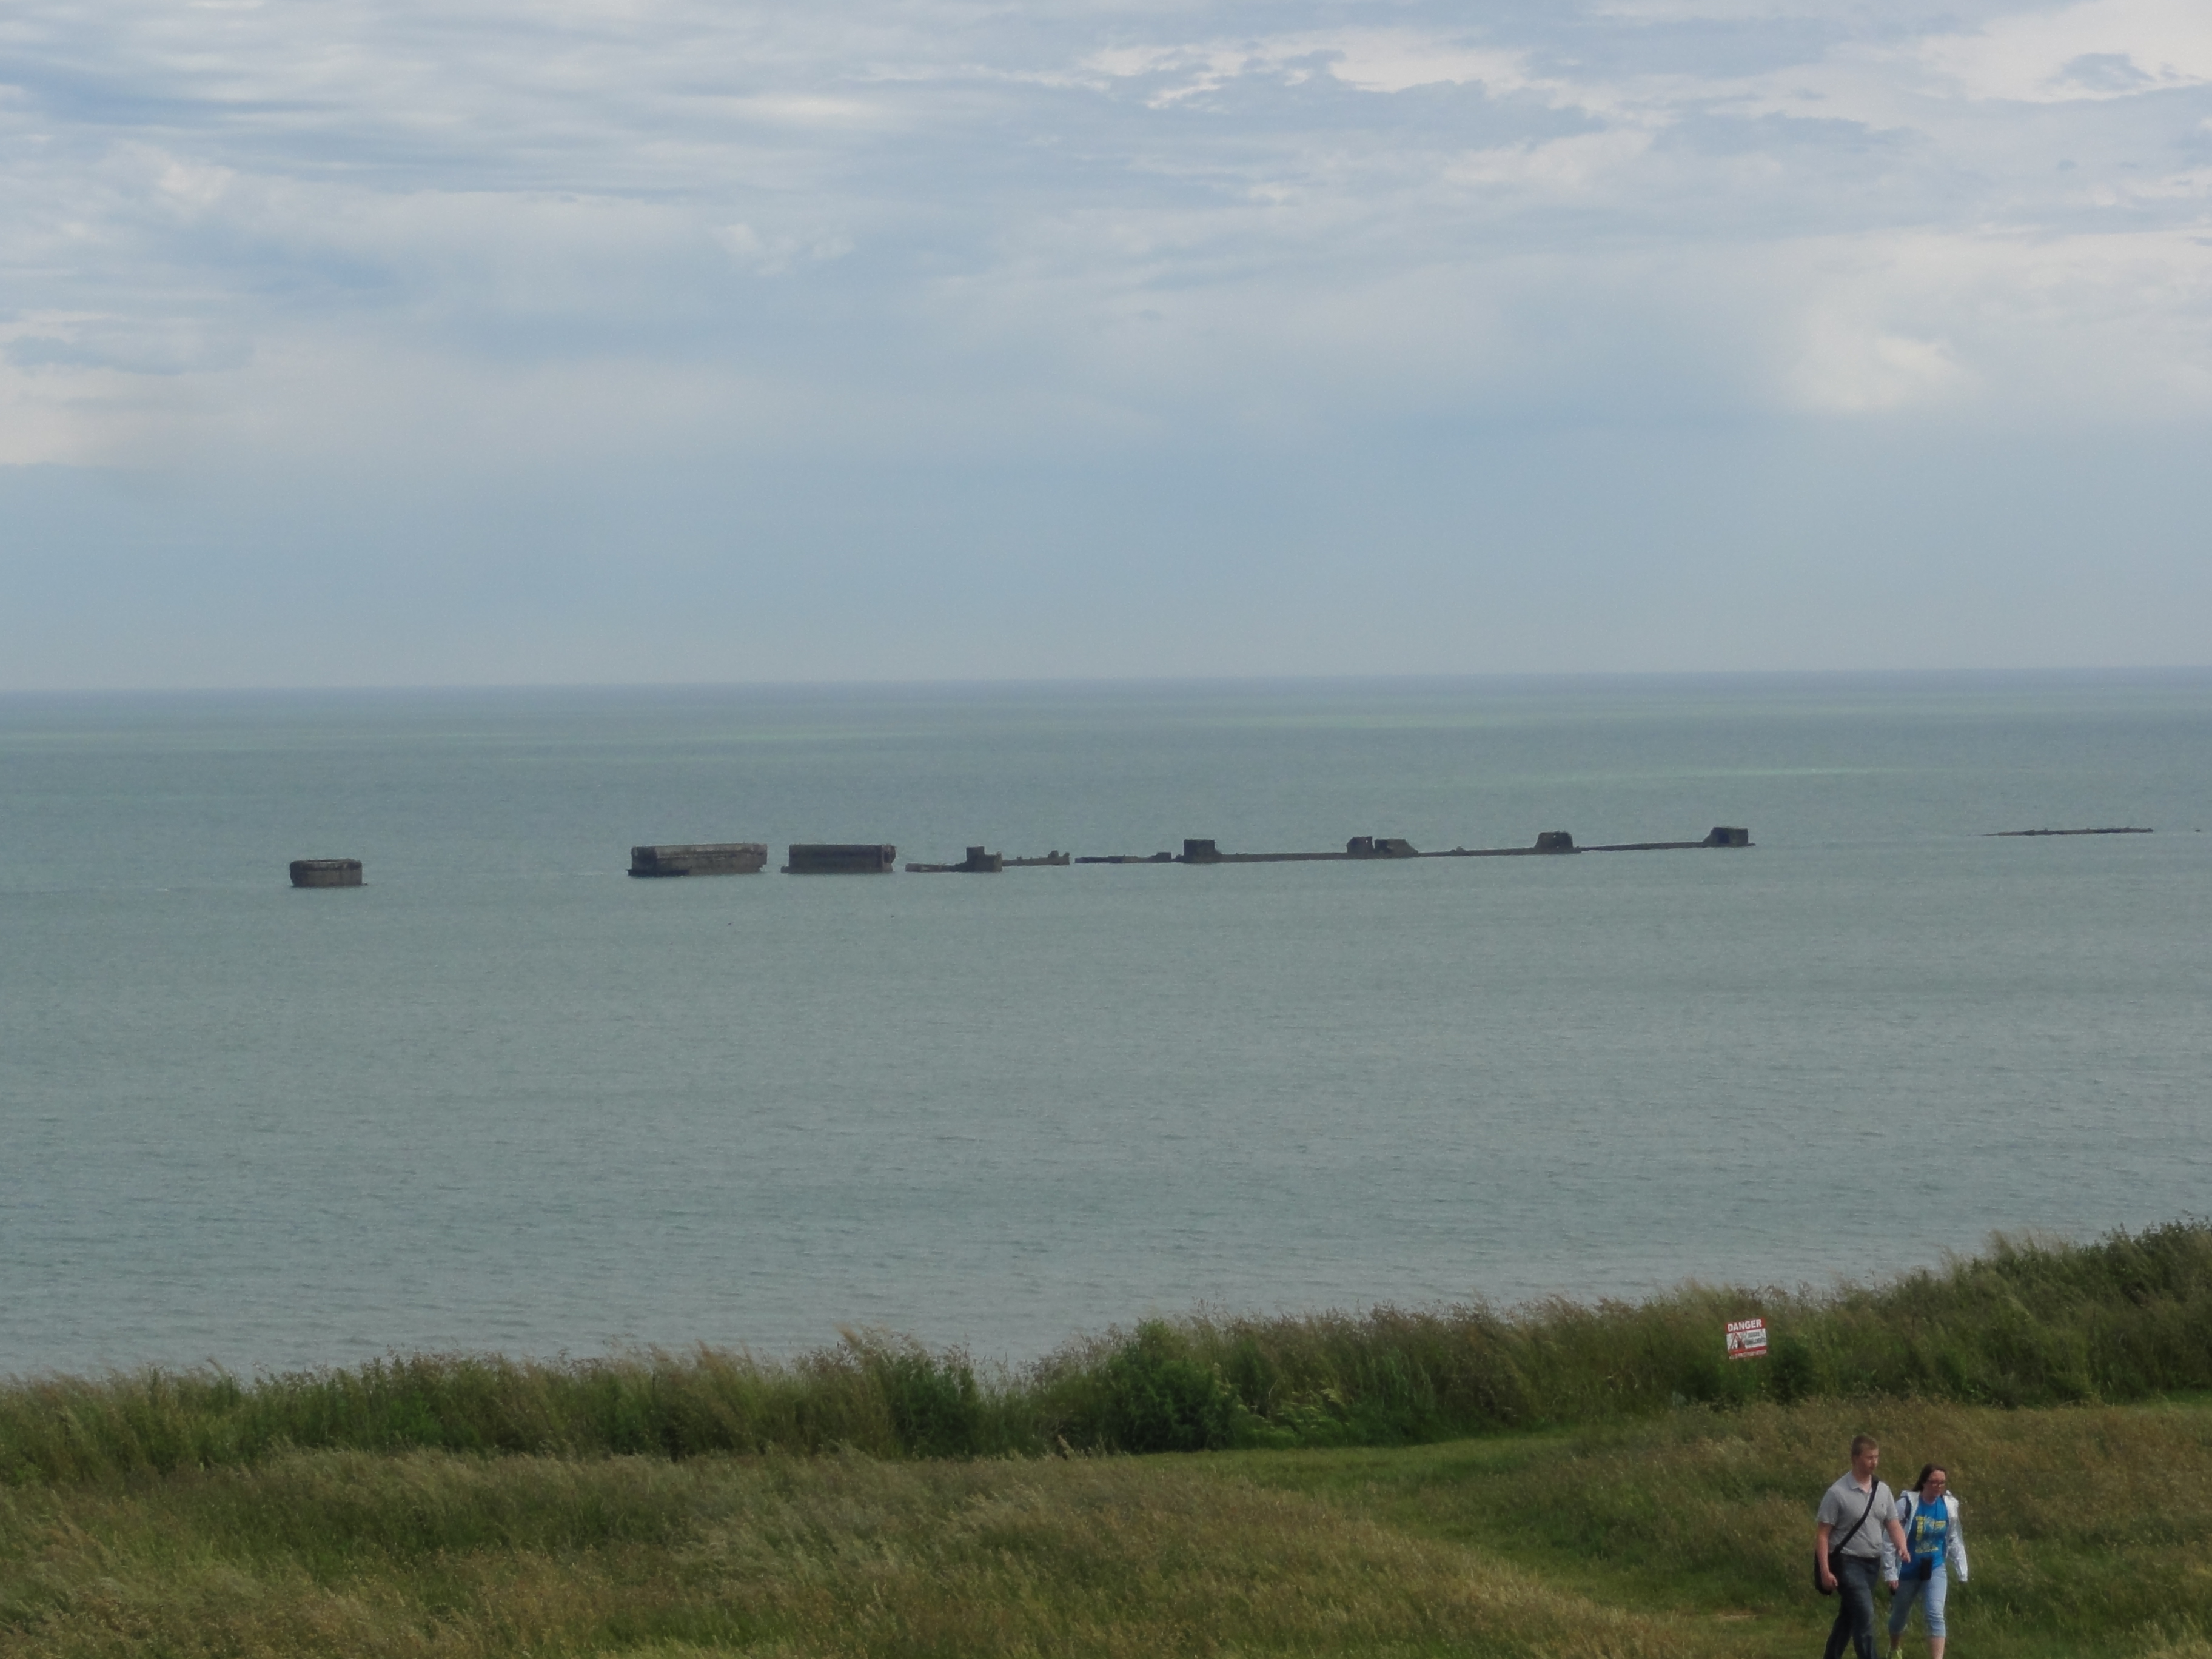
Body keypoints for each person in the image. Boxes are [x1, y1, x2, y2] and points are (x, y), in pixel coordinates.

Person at [1816, 1433, 1912, 1659]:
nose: (1874, 1462)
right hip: (1847, 1562)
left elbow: (1892, 1523)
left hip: (1871, 1563)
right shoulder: (1837, 1493)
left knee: (1849, 1616)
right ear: (1855, 1458)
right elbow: (1822, 1535)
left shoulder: (1883, 1490)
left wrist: (1902, 1546)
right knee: (1866, 1615)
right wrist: (1825, 1571)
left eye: (1877, 1457)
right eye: (1869, 1457)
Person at [1884, 1463, 1969, 1657]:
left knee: (1935, 1614)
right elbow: (1889, 1539)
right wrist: (1890, 1572)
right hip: (1907, 1569)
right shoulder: (1907, 1505)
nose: (1938, 1487)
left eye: (1942, 1483)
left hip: (1935, 1567)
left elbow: (1954, 1538)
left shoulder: (1948, 1506)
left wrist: (1962, 1570)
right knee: (1899, 1616)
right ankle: (1895, 1648)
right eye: (1934, 1482)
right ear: (1924, 1482)